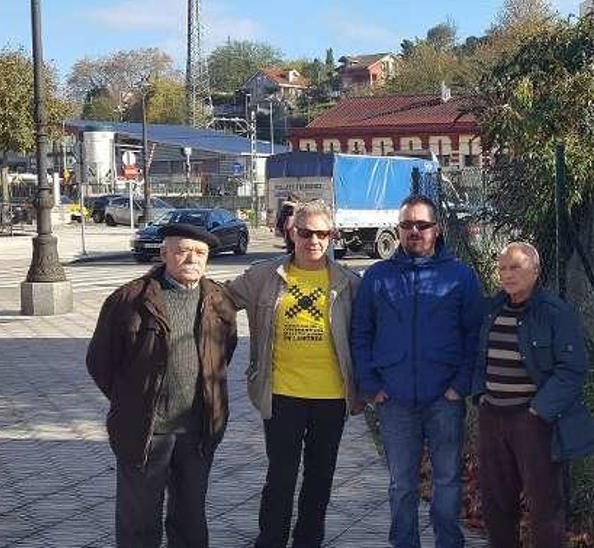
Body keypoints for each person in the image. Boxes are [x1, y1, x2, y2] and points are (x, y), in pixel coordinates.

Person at [86, 223, 238, 548]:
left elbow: (224, 353)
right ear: (164, 253)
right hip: (144, 430)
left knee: (190, 520)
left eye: (200, 253)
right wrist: (132, 399)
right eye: (183, 251)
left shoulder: (219, 301)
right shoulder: (130, 299)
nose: (191, 259)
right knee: (138, 522)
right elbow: (100, 361)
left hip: (198, 430)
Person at [351, 194, 483, 548]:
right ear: (398, 229)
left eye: (422, 225)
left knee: (448, 480)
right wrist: (371, 385)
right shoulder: (377, 277)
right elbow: (361, 334)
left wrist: (460, 386)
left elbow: (474, 335)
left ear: (436, 230)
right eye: (407, 225)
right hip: (394, 400)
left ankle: (449, 543)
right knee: (402, 484)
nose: (414, 231)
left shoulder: (460, 277)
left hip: (445, 399)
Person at [227, 200, 361, 548]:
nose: (313, 240)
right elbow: (220, 299)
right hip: (282, 393)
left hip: (331, 397)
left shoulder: (349, 283)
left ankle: (308, 541)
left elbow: (370, 332)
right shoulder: (264, 276)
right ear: (292, 232)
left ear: (332, 237)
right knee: (281, 477)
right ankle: (270, 540)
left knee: (320, 478)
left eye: (322, 233)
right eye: (305, 233)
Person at [472, 242, 594, 548]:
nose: (507, 274)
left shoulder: (555, 313)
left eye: (515, 267)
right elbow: (480, 358)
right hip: (493, 418)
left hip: (532, 422)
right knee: (496, 504)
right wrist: (480, 395)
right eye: (502, 268)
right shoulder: (492, 310)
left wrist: (538, 410)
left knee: (544, 505)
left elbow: (572, 368)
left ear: (535, 270)